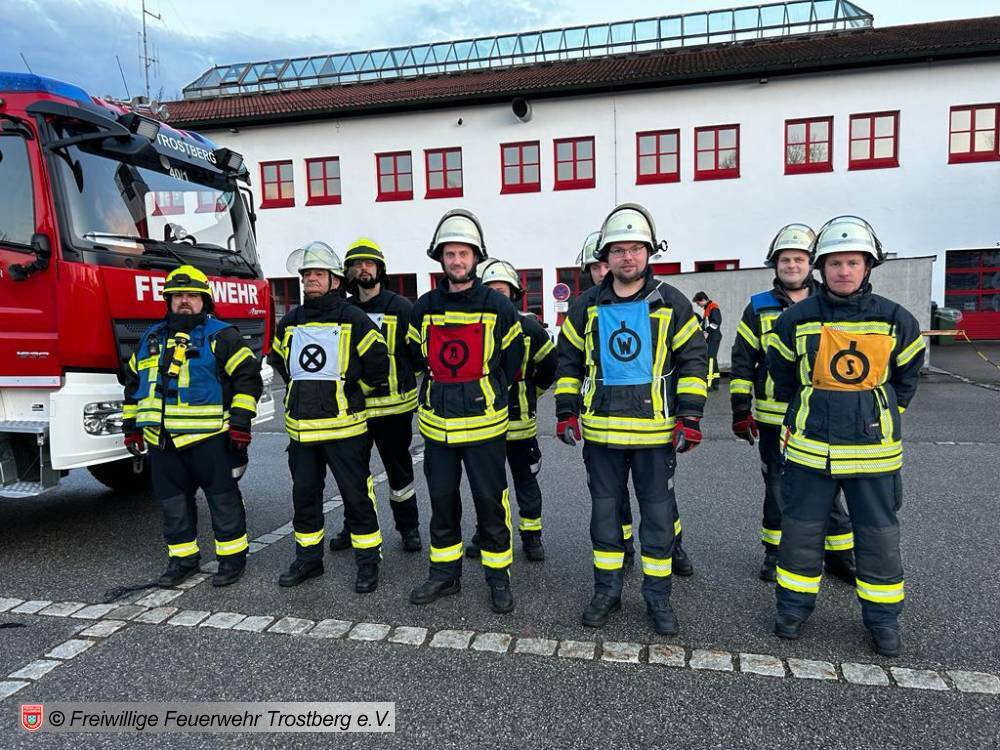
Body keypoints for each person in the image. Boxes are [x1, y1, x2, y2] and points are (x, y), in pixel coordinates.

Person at [767, 216, 925, 657]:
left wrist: (878, 414)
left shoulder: (895, 319)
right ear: (820, 268)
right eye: (834, 263)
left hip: (873, 454)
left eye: (853, 262)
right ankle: (792, 610)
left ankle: (883, 620)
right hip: (810, 451)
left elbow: (907, 378)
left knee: (878, 540)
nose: (843, 271)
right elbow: (781, 375)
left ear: (868, 266)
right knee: (800, 536)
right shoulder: (795, 319)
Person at [555, 204, 707, 635]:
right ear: (606, 256)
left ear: (649, 252)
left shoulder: (671, 302)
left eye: (635, 249)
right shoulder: (586, 306)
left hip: (655, 435)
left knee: (657, 522)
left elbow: (694, 360)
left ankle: (658, 599)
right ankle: (607, 592)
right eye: (619, 250)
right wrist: (566, 411)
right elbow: (568, 362)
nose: (627, 257)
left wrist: (690, 416)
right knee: (605, 518)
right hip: (601, 434)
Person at [407, 209, 524, 614]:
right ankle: (444, 575)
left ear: (476, 257)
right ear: (440, 258)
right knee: (442, 503)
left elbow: (513, 363)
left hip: (485, 427)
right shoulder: (424, 307)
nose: (457, 261)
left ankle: (498, 578)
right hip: (437, 429)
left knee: (491, 503)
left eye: (463, 253)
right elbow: (413, 356)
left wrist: (482, 392)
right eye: (450, 254)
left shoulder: (498, 306)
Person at [729, 224, 856, 583]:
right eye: (785, 259)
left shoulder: (832, 303)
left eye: (799, 259)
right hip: (775, 418)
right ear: (775, 264)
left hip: (823, 414)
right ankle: (776, 553)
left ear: (811, 263)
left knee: (830, 483)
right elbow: (743, 360)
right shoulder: (758, 307)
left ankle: (838, 555)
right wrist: (741, 409)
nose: (792, 265)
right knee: (777, 487)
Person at [123, 264, 262, 588]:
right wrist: (131, 426)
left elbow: (247, 379)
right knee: (173, 506)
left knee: (223, 502)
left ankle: (232, 560)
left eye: (192, 295)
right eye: (178, 295)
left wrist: (241, 423)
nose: (185, 300)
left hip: (210, 439)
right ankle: (182, 560)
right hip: (162, 442)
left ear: (205, 300)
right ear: (169, 300)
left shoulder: (222, 336)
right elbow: (133, 383)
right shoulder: (151, 338)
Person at [268, 242, 390, 593]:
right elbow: (279, 361)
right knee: (305, 498)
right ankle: (308, 560)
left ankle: (368, 562)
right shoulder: (291, 321)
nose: (310, 279)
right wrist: (300, 392)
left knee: (357, 497)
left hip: (345, 429)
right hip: (302, 432)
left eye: (318, 274)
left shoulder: (353, 318)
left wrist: (352, 394)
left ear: (335, 280)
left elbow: (378, 362)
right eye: (306, 274)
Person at [326, 238, 422, 553]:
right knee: (354, 475)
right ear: (348, 271)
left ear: (380, 269)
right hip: (355, 409)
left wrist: (405, 383)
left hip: (394, 409)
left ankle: (408, 528)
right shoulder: (343, 310)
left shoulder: (402, 308)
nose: (363, 269)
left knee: (399, 473)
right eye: (357, 264)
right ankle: (354, 526)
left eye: (369, 263)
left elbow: (418, 357)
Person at [466, 257, 556, 561]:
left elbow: (549, 368)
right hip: (484, 425)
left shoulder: (531, 329)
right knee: (487, 487)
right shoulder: (475, 328)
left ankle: (532, 537)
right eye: (490, 290)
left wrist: (530, 394)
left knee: (526, 482)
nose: (496, 296)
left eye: (501, 291)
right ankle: (486, 534)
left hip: (521, 427)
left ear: (514, 293)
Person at [693, 291, 722, 391]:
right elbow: (706, 324)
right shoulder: (708, 308)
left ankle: (709, 384)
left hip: (713, 337)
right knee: (713, 358)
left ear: (703, 300)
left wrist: (707, 332)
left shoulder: (713, 308)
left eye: (698, 303)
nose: (698, 305)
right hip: (712, 337)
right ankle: (715, 383)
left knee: (710, 359)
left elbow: (715, 323)